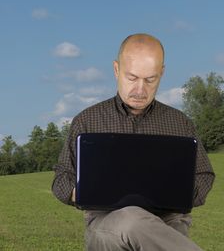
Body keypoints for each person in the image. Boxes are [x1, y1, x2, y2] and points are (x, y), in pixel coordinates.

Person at [52, 33, 215, 251]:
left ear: (162, 74)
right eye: (132, 78)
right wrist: (84, 191)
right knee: (131, 217)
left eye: (150, 80)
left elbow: (204, 176)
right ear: (116, 70)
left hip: (168, 223)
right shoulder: (87, 120)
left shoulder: (180, 123)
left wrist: (179, 192)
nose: (140, 90)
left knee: (141, 220)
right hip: (106, 223)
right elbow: (61, 178)